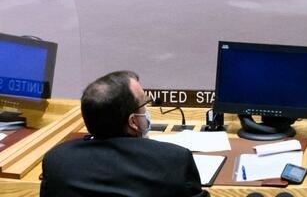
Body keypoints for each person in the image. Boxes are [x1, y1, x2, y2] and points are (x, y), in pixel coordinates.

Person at [40, 70, 204, 197]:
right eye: (144, 104)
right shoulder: (174, 160)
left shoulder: (57, 161)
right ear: (133, 122)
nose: (147, 110)